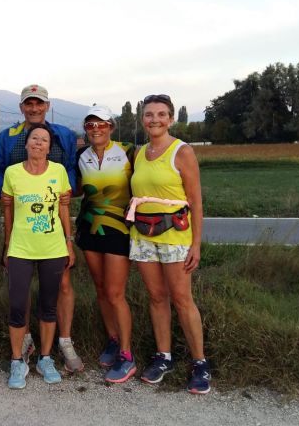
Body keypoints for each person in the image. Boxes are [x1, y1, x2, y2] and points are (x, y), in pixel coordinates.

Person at [0, 84, 82, 372]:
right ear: (21, 107)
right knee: (21, 288)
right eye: (28, 104)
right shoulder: (8, 136)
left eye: (39, 104)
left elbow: (71, 166)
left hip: (54, 219)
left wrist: (68, 191)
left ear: (47, 105)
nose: (34, 108)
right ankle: (26, 340)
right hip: (22, 221)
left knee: (61, 286)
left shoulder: (64, 135)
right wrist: (5, 195)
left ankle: (64, 343)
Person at [129, 94, 210, 394]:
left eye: (161, 114)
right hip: (143, 234)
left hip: (176, 235)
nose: (155, 119)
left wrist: (196, 243)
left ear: (171, 119)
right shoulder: (139, 152)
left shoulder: (182, 151)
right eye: (149, 114)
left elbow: (196, 201)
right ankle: (164, 357)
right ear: (142, 119)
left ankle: (200, 362)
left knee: (181, 298)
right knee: (156, 297)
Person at [2, 123, 75, 389]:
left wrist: (69, 243)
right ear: (26, 143)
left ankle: (45, 358)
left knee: (48, 305)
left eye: (44, 140)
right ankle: (17, 360)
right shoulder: (12, 173)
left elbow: (64, 210)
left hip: (53, 248)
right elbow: (7, 211)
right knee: (18, 305)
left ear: (49, 146)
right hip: (21, 248)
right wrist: (7, 245)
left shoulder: (59, 172)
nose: (38, 143)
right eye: (34, 138)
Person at [74, 105, 136, 383]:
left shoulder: (129, 151)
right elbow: (76, 188)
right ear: (86, 130)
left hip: (118, 229)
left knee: (115, 293)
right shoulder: (81, 155)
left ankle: (127, 354)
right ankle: (112, 339)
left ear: (111, 126)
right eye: (90, 125)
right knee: (100, 289)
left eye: (101, 124)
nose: (96, 129)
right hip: (89, 227)